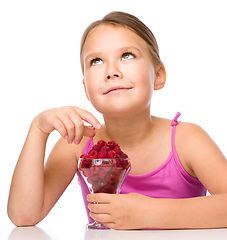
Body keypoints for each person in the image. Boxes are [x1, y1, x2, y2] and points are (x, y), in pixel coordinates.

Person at [7, 11, 227, 230]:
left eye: (127, 55)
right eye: (96, 61)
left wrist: (149, 214)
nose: (111, 71)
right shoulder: (76, 143)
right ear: (86, 88)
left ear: (158, 76)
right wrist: (38, 129)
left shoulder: (187, 139)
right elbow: (23, 216)